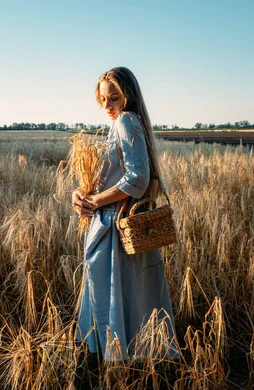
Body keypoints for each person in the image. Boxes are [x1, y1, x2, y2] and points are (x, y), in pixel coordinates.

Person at [71, 67, 178, 363]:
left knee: (112, 298)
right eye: (103, 99)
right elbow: (114, 177)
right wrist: (80, 195)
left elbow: (137, 179)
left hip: (115, 228)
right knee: (127, 299)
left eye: (114, 98)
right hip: (112, 223)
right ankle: (131, 368)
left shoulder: (126, 121)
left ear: (128, 96)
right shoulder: (123, 123)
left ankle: (116, 372)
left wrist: (95, 200)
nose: (107, 106)